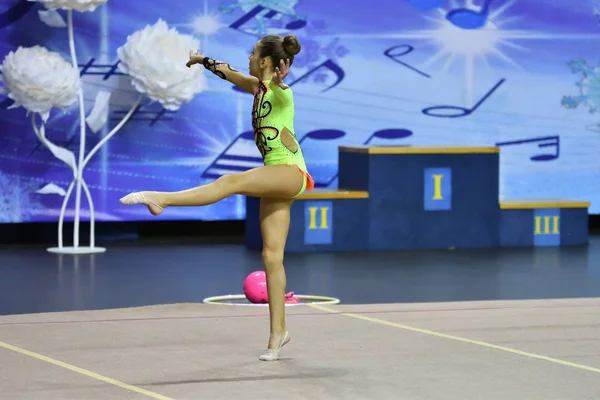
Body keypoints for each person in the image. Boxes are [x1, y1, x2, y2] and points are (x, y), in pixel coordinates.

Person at [119, 34, 314, 361]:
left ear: (266, 62)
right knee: (271, 257)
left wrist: (280, 77)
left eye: (253, 54)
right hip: (277, 174)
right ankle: (279, 332)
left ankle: (162, 199)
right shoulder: (257, 88)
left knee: (231, 180)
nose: (249, 58)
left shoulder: (279, 92)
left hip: (290, 171)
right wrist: (203, 60)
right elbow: (229, 71)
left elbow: (278, 86)